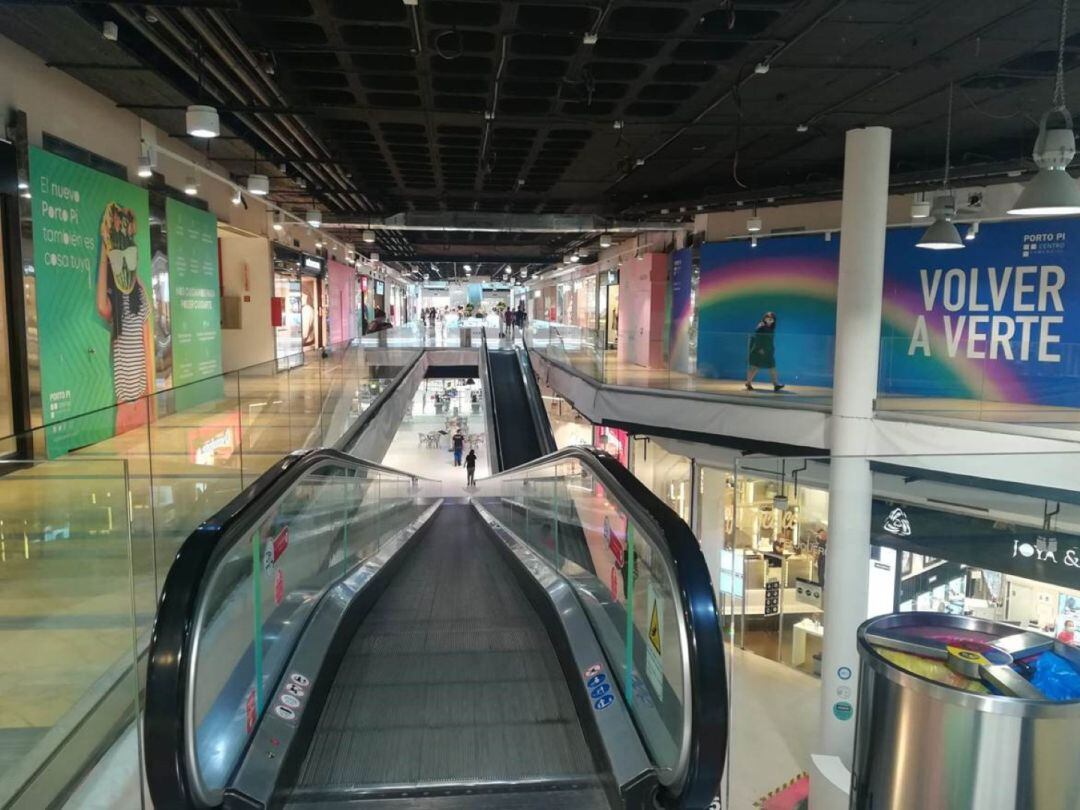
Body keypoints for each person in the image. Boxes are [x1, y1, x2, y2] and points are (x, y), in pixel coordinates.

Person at [96, 202, 153, 434]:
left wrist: (133, 271)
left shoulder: (140, 297)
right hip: (125, 401)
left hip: (142, 395)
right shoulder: (113, 304)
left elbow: (133, 273)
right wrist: (104, 250)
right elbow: (101, 305)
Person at [745, 311, 784, 392]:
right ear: (765, 318)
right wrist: (759, 349)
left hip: (768, 351)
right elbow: (758, 338)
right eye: (768, 318)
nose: (770, 320)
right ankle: (748, 383)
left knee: (772, 367)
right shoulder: (761, 326)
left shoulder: (771, 328)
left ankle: (776, 384)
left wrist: (771, 349)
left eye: (772, 319)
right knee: (754, 367)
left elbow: (770, 340)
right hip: (759, 351)